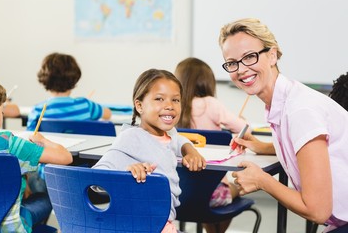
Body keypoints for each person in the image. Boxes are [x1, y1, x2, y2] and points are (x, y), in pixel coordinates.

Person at [219, 18, 348, 232]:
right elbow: (318, 152)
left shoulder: (299, 110)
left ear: (272, 55)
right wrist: (266, 147)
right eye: (232, 62)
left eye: (250, 57)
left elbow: (317, 211)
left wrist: (263, 181)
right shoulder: (283, 102)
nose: (241, 69)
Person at [93, 68, 206, 233]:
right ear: (139, 106)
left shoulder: (171, 134)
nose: (169, 106)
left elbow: (179, 139)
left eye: (176, 100)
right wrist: (125, 174)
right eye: (159, 99)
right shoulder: (131, 138)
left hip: (163, 224)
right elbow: (95, 180)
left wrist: (190, 150)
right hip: (140, 226)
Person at [0, 77, 73, 233]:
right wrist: (44, 140)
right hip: (10, 230)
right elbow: (65, 157)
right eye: (2, 111)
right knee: (45, 198)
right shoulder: (9, 143)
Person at [174, 57, 244, 233]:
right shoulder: (211, 104)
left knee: (204, 198)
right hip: (211, 195)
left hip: (176, 194)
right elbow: (244, 130)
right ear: (207, 81)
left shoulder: (173, 107)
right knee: (239, 187)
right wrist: (241, 123)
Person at [26, 52, 112, 131]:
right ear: (75, 78)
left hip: (50, 148)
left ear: (44, 78)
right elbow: (108, 114)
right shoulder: (86, 105)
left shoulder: (38, 110)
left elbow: (30, 137)